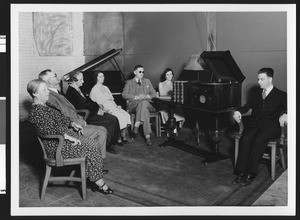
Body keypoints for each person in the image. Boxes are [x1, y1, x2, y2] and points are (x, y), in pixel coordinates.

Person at [27, 79, 113, 194]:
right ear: (35, 93)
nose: (48, 92)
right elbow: (48, 131)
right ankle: (98, 182)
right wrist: (68, 137)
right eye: (44, 90)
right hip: (57, 146)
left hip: (63, 137)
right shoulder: (37, 111)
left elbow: (61, 118)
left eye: (47, 89)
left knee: (94, 143)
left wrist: (72, 123)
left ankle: (93, 177)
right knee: (92, 146)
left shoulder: (46, 105)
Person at [38, 69, 113, 158]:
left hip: (74, 121)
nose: (58, 76)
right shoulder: (50, 96)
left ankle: (96, 160)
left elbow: (68, 109)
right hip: (69, 128)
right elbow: (61, 116)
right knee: (101, 132)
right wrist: (77, 121)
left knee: (103, 129)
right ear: (50, 81)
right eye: (55, 75)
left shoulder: (56, 92)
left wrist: (79, 118)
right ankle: (94, 162)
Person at [232, 68, 287, 187]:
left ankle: (251, 173)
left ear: (270, 79)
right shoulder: (256, 93)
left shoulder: (281, 95)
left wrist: (286, 115)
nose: (258, 82)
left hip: (271, 127)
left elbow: (291, 108)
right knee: (246, 139)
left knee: (258, 140)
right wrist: (238, 112)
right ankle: (241, 172)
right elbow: (246, 107)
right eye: (258, 79)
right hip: (255, 124)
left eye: (262, 79)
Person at [65, 71, 123, 149]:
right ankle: (107, 145)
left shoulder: (78, 89)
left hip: (90, 111)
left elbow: (89, 101)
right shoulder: (71, 92)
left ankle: (112, 141)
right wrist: (97, 110)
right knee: (111, 119)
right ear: (75, 81)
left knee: (113, 118)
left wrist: (99, 106)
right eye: (81, 79)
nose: (83, 81)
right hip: (85, 115)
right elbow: (84, 104)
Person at [89, 71, 131, 144]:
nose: (102, 78)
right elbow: (96, 104)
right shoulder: (94, 89)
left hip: (112, 106)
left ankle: (123, 135)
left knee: (126, 115)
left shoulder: (106, 87)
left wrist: (117, 106)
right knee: (119, 117)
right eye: (100, 76)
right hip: (105, 108)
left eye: (103, 76)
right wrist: (106, 110)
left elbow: (111, 99)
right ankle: (117, 137)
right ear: (96, 78)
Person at [122, 65, 156, 146]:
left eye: (143, 72)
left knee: (144, 102)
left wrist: (147, 96)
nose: (142, 73)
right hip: (134, 105)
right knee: (145, 110)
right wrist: (136, 97)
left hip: (148, 104)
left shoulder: (147, 81)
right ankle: (147, 136)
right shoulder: (129, 83)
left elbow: (154, 93)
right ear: (135, 72)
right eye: (140, 71)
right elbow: (123, 94)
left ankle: (136, 125)